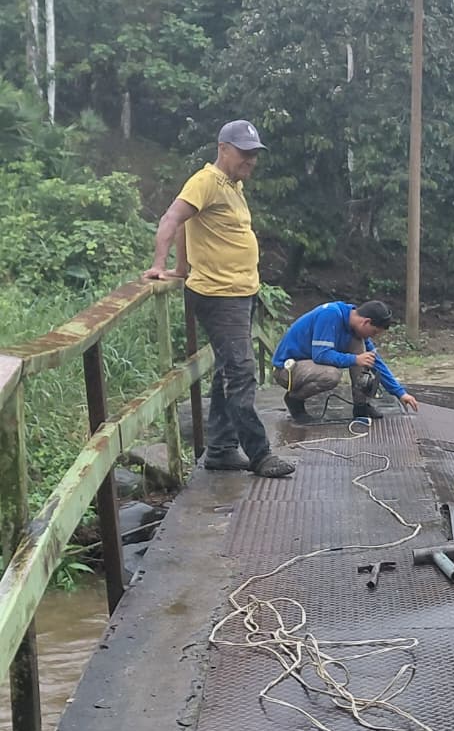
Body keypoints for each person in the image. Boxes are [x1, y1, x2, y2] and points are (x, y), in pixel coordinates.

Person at [142, 120, 294, 478]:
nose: (250, 160)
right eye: (244, 153)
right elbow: (172, 218)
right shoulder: (205, 181)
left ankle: (222, 449)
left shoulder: (233, 185)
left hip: (241, 292)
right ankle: (260, 454)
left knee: (228, 369)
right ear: (223, 148)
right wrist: (159, 265)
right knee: (241, 372)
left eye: (254, 154)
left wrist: (182, 267)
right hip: (219, 295)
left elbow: (188, 225)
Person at [271, 300, 421, 423]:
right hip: (287, 370)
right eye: (374, 332)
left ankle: (361, 406)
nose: (373, 336)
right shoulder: (330, 315)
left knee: (359, 346)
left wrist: (400, 393)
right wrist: (355, 359)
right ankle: (294, 400)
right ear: (366, 322)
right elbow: (321, 355)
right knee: (331, 375)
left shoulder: (353, 325)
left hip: (309, 364)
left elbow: (375, 361)